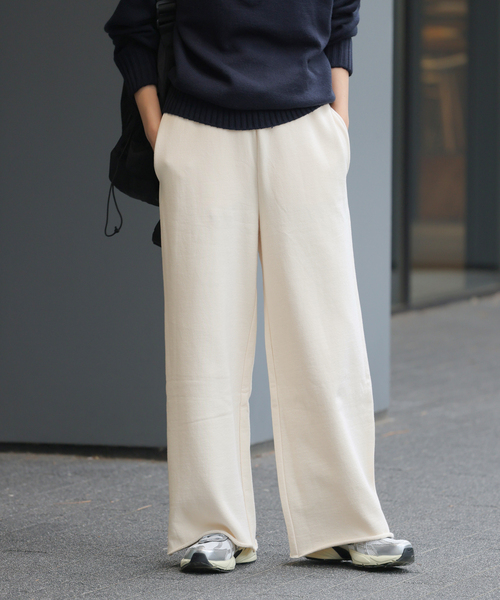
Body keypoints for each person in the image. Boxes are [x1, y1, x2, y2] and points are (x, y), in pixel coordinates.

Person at [104, 0, 415, 573]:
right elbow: (132, 23)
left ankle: (346, 522)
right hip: (199, 134)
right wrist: (158, 132)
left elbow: (342, 16)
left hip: (306, 129)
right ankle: (210, 525)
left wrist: (338, 118)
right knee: (204, 338)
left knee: (327, 333)